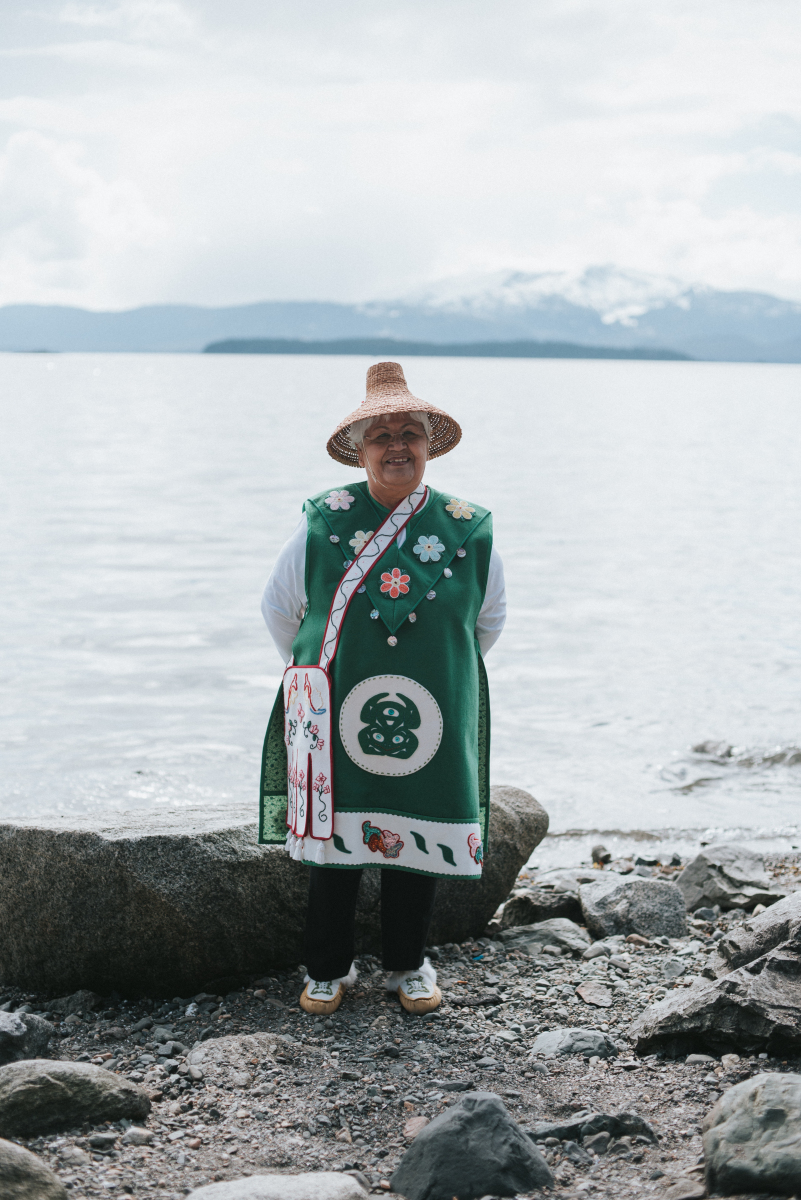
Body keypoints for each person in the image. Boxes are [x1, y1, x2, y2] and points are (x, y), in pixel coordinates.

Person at [260, 361, 505, 1017]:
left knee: (415, 829)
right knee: (332, 833)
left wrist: (438, 672)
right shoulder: (323, 521)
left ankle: (407, 964)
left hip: (430, 707)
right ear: (360, 450)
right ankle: (326, 968)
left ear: (428, 445)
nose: (397, 446)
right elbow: (280, 608)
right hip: (335, 703)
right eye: (381, 436)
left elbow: (488, 619)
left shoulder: (467, 527)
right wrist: (319, 674)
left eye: (409, 433)